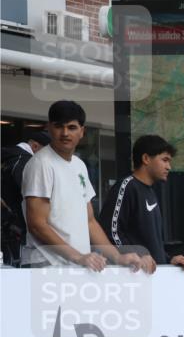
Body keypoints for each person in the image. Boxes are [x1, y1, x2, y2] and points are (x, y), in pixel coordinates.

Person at [21, 101, 142, 271]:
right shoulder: (41, 164)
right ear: (49, 128)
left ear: (82, 131)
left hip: (77, 265)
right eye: (58, 126)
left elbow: (90, 221)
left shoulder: (79, 165)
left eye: (71, 127)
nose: (65, 133)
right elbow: (37, 224)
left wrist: (117, 257)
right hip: (47, 266)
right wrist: (77, 256)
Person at [99, 135, 184, 273]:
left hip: (153, 277)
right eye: (165, 160)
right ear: (146, 158)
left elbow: (150, 242)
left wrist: (168, 259)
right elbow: (109, 232)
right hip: (133, 277)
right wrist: (135, 256)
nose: (169, 167)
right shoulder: (126, 187)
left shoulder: (150, 192)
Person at [1, 129, 50, 265]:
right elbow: (30, 195)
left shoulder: (8, 158)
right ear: (35, 146)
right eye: (47, 152)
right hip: (17, 225)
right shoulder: (27, 163)